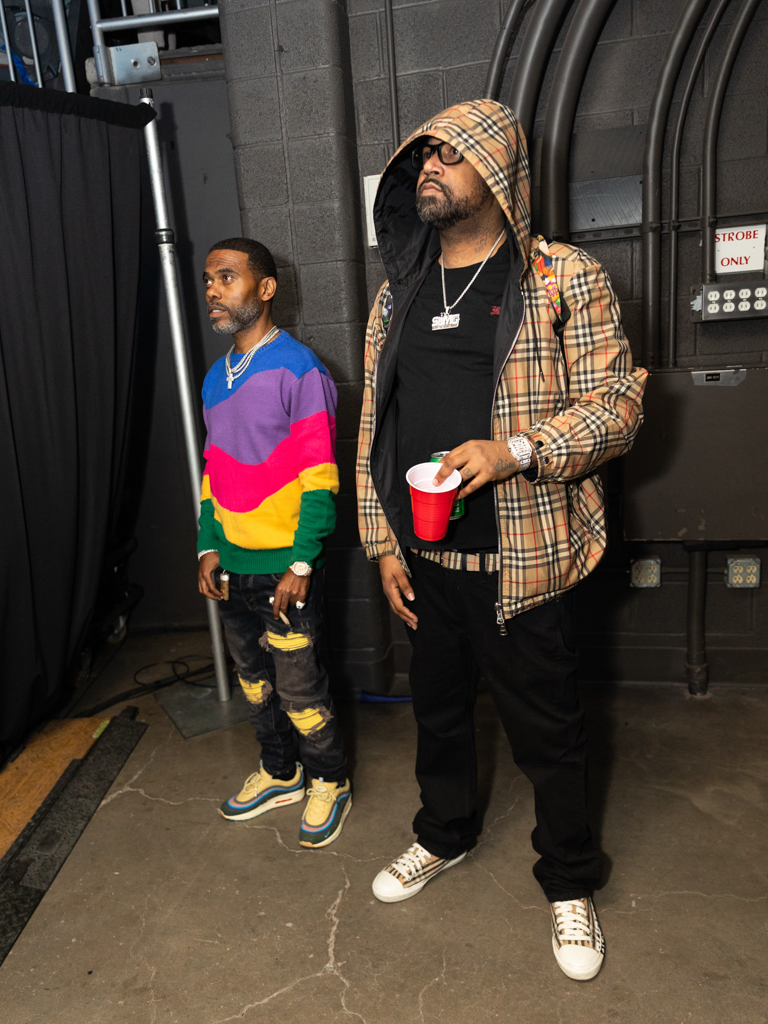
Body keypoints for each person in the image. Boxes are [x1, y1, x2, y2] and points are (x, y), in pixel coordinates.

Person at [357, 100, 646, 980]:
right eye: (423, 153)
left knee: (547, 733)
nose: (429, 165)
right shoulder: (398, 291)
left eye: (451, 153)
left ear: (499, 169)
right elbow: (374, 423)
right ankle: (443, 834)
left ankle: (568, 879)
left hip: (521, 563)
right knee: (437, 716)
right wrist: (381, 542)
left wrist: (515, 450)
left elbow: (618, 406)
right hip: (425, 560)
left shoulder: (561, 277)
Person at [198, 237, 351, 848]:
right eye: (208, 279)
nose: (213, 290)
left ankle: (330, 780)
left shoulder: (299, 369)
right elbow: (212, 469)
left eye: (226, 277)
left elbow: (321, 478)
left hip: (287, 569)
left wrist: (302, 562)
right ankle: (281, 773)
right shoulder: (214, 378)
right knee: (255, 684)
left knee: (300, 687)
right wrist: (208, 546)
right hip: (232, 568)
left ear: (265, 289)